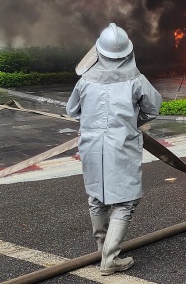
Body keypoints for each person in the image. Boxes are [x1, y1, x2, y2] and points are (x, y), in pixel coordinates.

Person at [66, 23, 163, 275]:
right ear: (127, 53)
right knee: (126, 202)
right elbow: (153, 108)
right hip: (122, 146)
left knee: (97, 198)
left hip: (90, 146)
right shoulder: (135, 80)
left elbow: (71, 110)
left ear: (99, 52)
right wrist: (134, 121)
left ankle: (103, 249)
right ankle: (109, 260)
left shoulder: (85, 80)